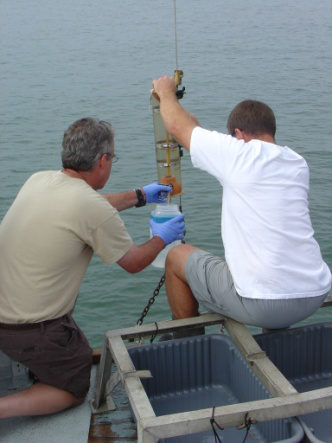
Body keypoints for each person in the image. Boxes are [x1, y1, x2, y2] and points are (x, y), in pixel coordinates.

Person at [0, 117, 185, 418]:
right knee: (74, 387)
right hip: (28, 329)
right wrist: (163, 238)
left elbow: (89, 206)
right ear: (103, 160)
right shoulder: (89, 206)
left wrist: (140, 196)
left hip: (6, 313)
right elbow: (135, 261)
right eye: (113, 157)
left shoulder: (40, 179)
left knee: (78, 350)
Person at [152, 76, 331, 332]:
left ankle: (188, 344)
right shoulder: (296, 162)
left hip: (263, 304)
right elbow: (194, 132)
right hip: (314, 293)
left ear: (238, 134)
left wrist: (166, 92)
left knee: (176, 257)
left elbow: (175, 125)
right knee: (268, 275)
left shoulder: (239, 155)